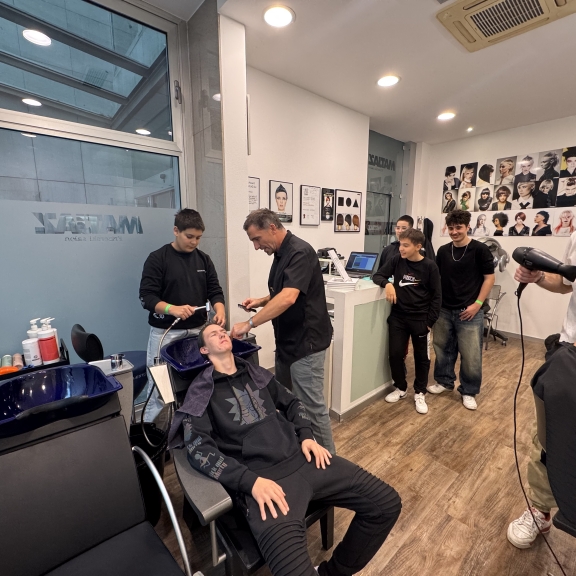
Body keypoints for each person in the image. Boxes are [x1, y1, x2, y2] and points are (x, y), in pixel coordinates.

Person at [169, 323, 402, 576]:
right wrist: (249, 482)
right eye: (213, 334)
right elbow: (199, 449)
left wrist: (307, 436)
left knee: (386, 504)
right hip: (264, 482)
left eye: (223, 331)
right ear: (204, 350)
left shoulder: (257, 374)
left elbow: (293, 403)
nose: (222, 334)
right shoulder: (200, 392)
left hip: (305, 459)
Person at [231, 209, 335, 453]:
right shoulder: (280, 253)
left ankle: (331, 462)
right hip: (287, 342)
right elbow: (283, 291)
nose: (256, 247)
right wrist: (261, 301)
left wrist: (249, 323)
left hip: (306, 345)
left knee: (312, 409)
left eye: (257, 239)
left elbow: (288, 297)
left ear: (272, 228)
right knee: (289, 403)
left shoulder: (300, 252)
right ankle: (301, 453)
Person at [507, 233, 576, 548]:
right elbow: (566, 282)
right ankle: (541, 510)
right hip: (569, 352)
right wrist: (537, 278)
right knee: (549, 440)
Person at [139, 208, 226, 421]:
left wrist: (220, 310)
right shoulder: (158, 259)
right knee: (159, 389)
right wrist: (172, 308)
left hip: (197, 332)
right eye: (190, 236)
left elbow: (215, 290)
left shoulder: (203, 260)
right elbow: (147, 297)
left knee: (198, 382)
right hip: (166, 333)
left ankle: (193, 429)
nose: (194, 242)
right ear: (176, 230)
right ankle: (152, 433)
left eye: (198, 237)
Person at [428, 210, 495, 410]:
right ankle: (444, 381)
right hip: (444, 309)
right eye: (451, 228)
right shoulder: (443, 251)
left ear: (467, 227)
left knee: (471, 354)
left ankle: (469, 390)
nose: (454, 232)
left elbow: (489, 278)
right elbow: (437, 278)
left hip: (470, 310)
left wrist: (477, 304)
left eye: (458, 228)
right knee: (442, 348)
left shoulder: (480, 250)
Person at [372, 229, 441, 415]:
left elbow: (437, 297)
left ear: (418, 247)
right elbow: (377, 275)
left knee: (422, 358)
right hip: (398, 318)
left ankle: (420, 392)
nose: (401, 248)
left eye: (405, 245)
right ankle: (401, 387)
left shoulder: (430, 266)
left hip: (421, 319)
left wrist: (429, 322)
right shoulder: (397, 260)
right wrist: (387, 284)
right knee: (395, 355)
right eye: (400, 244)